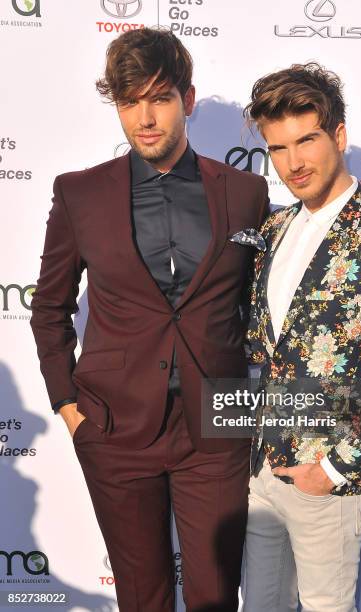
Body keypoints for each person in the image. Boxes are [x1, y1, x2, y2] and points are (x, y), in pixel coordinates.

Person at [29, 27, 270, 612]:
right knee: (142, 596)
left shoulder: (245, 191)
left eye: (159, 98)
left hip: (216, 429)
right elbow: (50, 307)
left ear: (187, 100)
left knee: (215, 595)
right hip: (112, 427)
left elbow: (261, 306)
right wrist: (69, 407)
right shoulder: (80, 194)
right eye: (129, 101)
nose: (145, 117)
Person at [243, 63, 361, 611]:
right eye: (278, 148)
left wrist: (329, 471)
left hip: (328, 482)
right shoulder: (275, 230)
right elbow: (265, 350)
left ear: (339, 135)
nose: (293, 163)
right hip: (262, 474)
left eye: (307, 140)